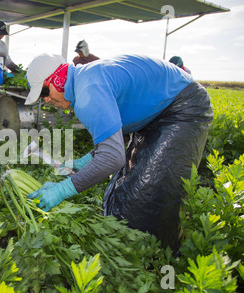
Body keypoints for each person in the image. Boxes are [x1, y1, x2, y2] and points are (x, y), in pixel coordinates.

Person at [24, 53, 212, 253]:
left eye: (45, 90)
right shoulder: (85, 82)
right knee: (124, 191)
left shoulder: (88, 90)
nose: (46, 99)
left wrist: (62, 190)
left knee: (146, 199)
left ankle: (159, 261)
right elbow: (115, 138)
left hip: (182, 110)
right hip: (158, 115)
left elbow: (112, 157)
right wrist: (85, 161)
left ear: (59, 79)